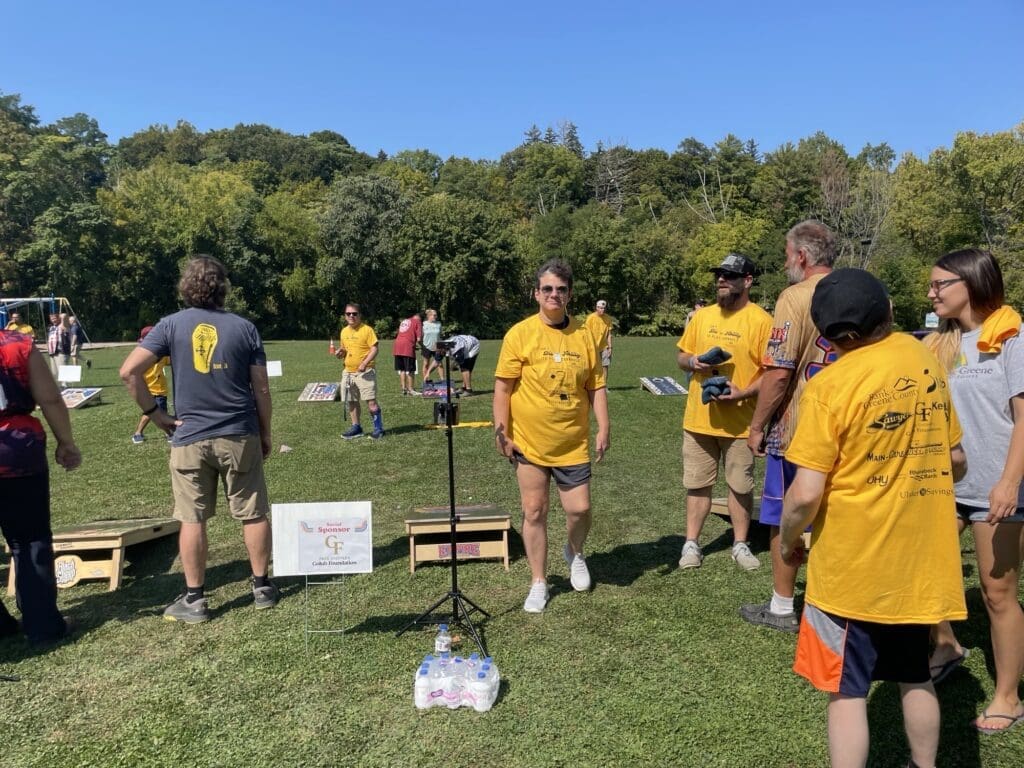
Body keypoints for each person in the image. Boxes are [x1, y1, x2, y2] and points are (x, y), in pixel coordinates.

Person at [779, 269, 966, 768]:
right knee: (915, 675)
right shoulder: (923, 361)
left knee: (845, 691)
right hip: (918, 563)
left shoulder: (829, 385)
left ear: (826, 336)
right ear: (887, 312)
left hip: (849, 573)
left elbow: (805, 494)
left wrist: (786, 541)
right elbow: (958, 459)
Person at [119, 255, 278, 623]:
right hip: (239, 432)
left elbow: (129, 372)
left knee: (192, 518)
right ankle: (262, 587)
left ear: (185, 287)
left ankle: (195, 599)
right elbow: (262, 389)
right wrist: (265, 431)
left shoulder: (170, 325)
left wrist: (156, 416)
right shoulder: (245, 328)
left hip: (188, 434)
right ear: (223, 287)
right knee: (252, 511)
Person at [922, 249, 1024, 734]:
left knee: (997, 592)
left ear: (971, 282)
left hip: (998, 486)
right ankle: (946, 644)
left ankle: (1008, 696)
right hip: (945, 485)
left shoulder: (1012, 337)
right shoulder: (939, 345)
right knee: (919, 565)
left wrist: (1009, 483)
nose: (931, 293)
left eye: (940, 284)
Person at [493, 259, 610, 613]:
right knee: (534, 511)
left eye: (560, 289)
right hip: (529, 441)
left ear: (569, 294)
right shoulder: (520, 334)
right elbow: (502, 388)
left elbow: (596, 385)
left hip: (572, 442)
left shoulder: (585, 335)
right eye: (547, 289)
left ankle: (574, 551)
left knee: (581, 509)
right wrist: (501, 430)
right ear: (536, 293)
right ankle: (539, 582)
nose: (554, 295)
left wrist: (604, 425)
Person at [739, 220, 837, 632]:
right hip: (850, 426)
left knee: (785, 517)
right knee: (837, 517)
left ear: (801, 256)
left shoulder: (795, 296)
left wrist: (758, 425)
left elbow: (779, 371)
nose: (785, 263)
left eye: (786, 254)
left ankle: (782, 606)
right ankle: (833, 606)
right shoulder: (867, 292)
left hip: (799, 427)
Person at [676, 253, 771, 571]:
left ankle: (740, 544)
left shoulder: (761, 321)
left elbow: (771, 372)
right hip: (699, 420)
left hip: (741, 423)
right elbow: (681, 355)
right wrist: (693, 362)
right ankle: (691, 544)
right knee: (697, 484)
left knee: (740, 486)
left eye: (729, 275)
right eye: (719, 274)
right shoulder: (702, 317)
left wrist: (742, 393)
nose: (721, 280)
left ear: (747, 281)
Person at [0, 327, 81, 645]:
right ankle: (43, 625)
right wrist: (67, 443)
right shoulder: (16, 345)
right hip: (15, 449)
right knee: (29, 540)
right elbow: (49, 398)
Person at [336, 303, 383, 439]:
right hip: (348, 372)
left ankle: (378, 429)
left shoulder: (367, 330)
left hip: (365, 372)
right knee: (351, 400)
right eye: (348, 314)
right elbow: (345, 349)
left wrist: (364, 363)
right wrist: (341, 352)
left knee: (370, 401)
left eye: (354, 313)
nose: (351, 316)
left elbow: (375, 349)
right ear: (345, 316)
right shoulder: (344, 331)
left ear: (359, 315)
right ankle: (356, 427)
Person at [130, 326, 171, 444]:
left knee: (156, 412)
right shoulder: (142, 356)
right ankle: (168, 433)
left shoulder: (161, 355)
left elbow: (170, 360)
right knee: (155, 412)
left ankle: (139, 433)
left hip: (159, 389)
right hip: (149, 389)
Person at [393, 311, 423, 396]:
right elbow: (419, 339)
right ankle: (411, 390)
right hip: (407, 347)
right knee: (410, 369)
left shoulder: (404, 321)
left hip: (397, 345)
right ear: (421, 318)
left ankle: (403, 389)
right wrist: (423, 347)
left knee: (402, 369)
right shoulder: (418, 322)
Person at [584, 300, 614, 378]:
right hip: (592, 347)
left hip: (604, 347)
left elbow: (609, 334)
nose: (602, 310)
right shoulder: (590, 318)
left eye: (604, 308)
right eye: (600, 308)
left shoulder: (608, 318)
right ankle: (590, 386)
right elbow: (586, 333)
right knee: (591, 367)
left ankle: (604, 386)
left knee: (605, 366)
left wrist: (610, 348)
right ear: (596, 308)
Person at [45, 313, 71, 382]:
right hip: (52, 352)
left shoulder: (63, 326)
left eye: (55, 318)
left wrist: (61, 316)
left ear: (59, 318)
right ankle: (59, 387)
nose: (53, 320)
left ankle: (65, 386)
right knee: (54, 373)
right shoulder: (51, 328)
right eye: (51, 318)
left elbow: (65, 315)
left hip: (61, 351)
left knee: (62, 371)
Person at [421, 308, 442, 385]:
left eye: (436, 315)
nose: (436, 316)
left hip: (437, 346)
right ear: (429, 316)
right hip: (426, 346)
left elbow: (440, 335)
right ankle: (426, 380)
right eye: (434, 315)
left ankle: (442, 380)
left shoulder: (439, 323)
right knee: (426, 364)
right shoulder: (424, 324)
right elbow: (421, 336)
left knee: (439, 363)